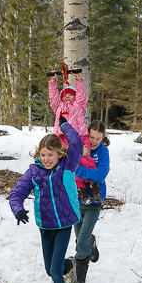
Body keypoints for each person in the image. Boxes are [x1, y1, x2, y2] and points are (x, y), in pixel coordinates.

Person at [9, 118, 82, 283]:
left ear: (59, 154)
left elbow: (76, 143)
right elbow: (16, 194)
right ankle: (70, 266)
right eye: (43, 155)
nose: (47, 159)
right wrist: (18, 209)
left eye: (51, 154)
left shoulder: (67, 165)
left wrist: (64, 126)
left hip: (64, 224)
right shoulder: (34, 172)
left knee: (55, 272)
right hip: (46, 226)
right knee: (50, 270)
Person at [66, 120, 110, 283]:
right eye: (92, 137)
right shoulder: (78, 148)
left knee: (81, 241)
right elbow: (69, 166)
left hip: (94, 204)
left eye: (98, 138)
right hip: (77, 203)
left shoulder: (103, 152)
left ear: (103, 138)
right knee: (81, 240)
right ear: (87, 134)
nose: (94, 141)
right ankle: (91, 243)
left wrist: (80, 170)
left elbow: (101, 174)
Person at [49, 75, 101, 205]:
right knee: (72, 165)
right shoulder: (58, 108)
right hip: (64, 139)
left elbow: (82, 96)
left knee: (86, 160)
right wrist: (53, 81)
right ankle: (81, 190)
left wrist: (78, 79)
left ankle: (93, 185)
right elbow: (53, 98)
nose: (67, 96)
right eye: (64, 95)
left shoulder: (79, 106)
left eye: (71, 94)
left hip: (80, 137)